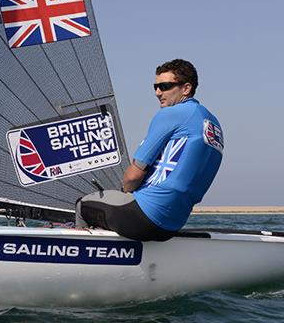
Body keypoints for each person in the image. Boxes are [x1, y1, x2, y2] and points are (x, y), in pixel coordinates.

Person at [76, 59, 224, 241]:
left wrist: (125, 190)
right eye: (155, 86)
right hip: (172, 225)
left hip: (143, 217)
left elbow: (132, 176)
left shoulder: (171, 114)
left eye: (165, 86)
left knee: (83, 204)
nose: (157, 92)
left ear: (186, 88)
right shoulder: (213, 125)